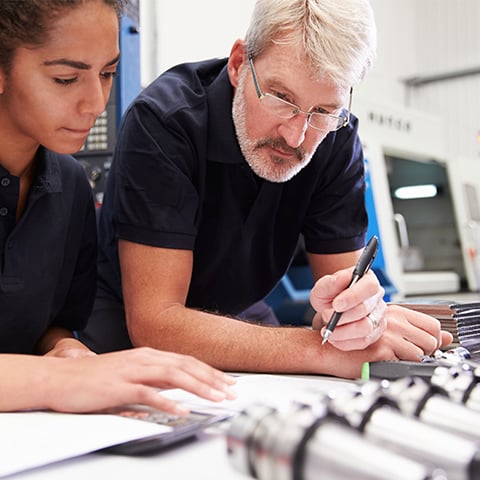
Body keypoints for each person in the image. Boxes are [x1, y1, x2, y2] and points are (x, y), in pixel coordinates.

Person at [80, 0, 453, 379]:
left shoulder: (336, 138)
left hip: (241, 312)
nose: (297, 136)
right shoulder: (165, 122)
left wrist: (361, 317)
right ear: (239, 64)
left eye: (323, 111)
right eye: (281, 98)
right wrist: (319, 352)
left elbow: (343, 304)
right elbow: (157, 323)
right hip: (127, 320)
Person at [0, 0, 235, 413]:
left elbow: (50, 325)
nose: (95, 102)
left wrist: (66, 350)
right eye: (66, 78)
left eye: (107, 73)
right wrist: (56, 380)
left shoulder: (70, 185)